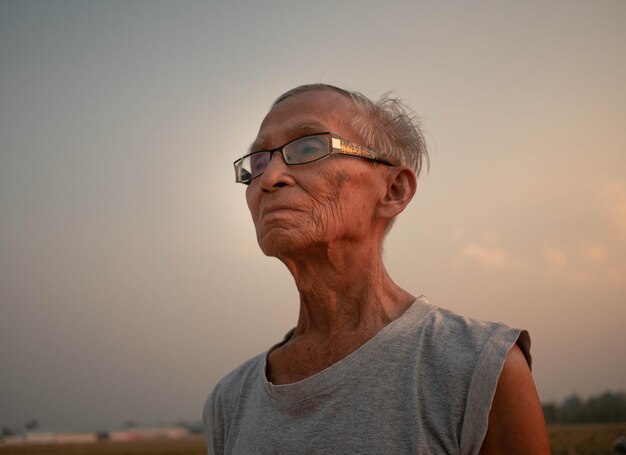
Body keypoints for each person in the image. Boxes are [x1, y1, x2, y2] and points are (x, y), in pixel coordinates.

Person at [203, 84, 550, 454]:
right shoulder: (229, 401)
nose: (269, 178)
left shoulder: (481, 367)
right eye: (257, 162)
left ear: (394, 190)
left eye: (307, 147)